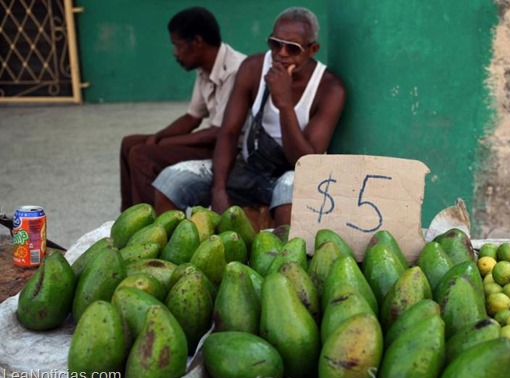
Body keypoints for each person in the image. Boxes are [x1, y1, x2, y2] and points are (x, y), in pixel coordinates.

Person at [152, 7, 346, 226]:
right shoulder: (253, 68)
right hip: (249, 166)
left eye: (292, 48)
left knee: (288, 204)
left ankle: (281, 258)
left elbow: (304, 161)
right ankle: (174, 251)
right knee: (171, 182)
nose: (281, 53)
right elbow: (229, 132)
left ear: (313, 49)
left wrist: (285, 105)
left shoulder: (329, 89)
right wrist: (219, 189)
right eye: (275, 44)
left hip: (291, 171)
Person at [119, 6, 246, 211]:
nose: (175, 53)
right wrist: (159, 136)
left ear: (197, 42)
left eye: (177, 46)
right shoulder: (205, 68)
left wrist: (163, 142)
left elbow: (218, 133)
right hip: (213, 140)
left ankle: (149, 226)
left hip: (230, 150)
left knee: (141, 154)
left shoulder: (235, 70)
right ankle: (127, 214)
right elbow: (192, 118)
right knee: (129, 143)